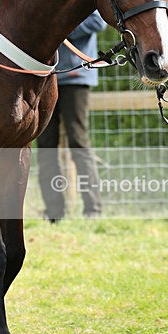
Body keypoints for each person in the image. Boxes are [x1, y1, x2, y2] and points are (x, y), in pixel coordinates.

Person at [37, 11, 107, 221]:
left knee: (78, 142)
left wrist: (60, 27)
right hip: (45, 75)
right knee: (46, 146)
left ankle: (93, 210)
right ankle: (54, 212)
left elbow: (98, 21)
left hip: (77, 75)